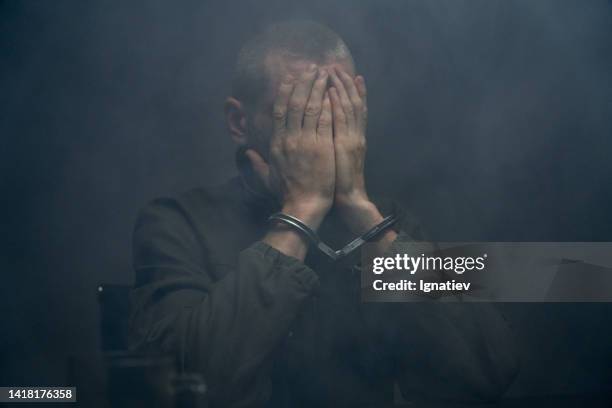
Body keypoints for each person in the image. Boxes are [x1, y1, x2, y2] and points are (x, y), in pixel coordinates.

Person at [128, 20, 519, 408]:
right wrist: (300, 213)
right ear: (240, 122)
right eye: (297, 111)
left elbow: (486, 373)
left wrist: (364, 217)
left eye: (338, 110)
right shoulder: (176, 223)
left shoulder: (388, 225)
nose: (323, 129)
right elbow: (189, 387)